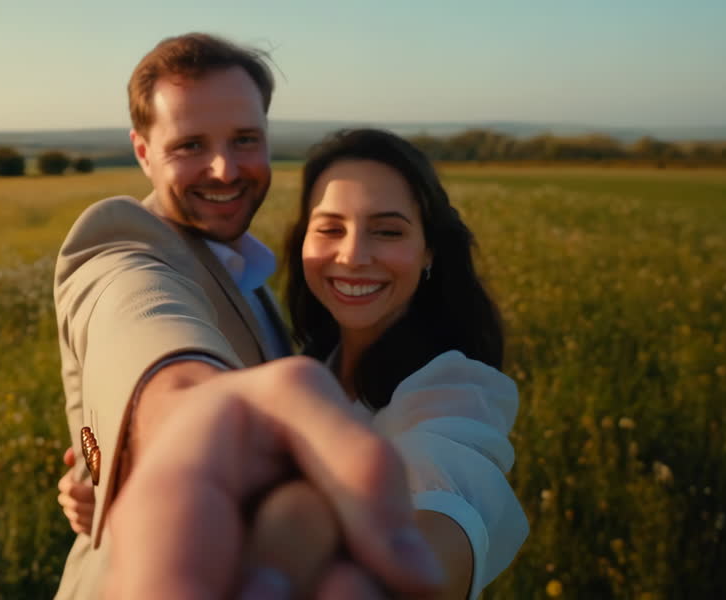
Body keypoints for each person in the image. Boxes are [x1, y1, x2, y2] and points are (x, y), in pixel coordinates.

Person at [61, 126, 529, 597]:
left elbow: (454, 501)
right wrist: (112, 487)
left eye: (387, 231)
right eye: (329, 229)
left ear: (429, 250)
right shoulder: (312, 359)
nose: (352, 256)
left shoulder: (452, 387)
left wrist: (373, 568)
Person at [55, 33, 436, 598]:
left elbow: (87, 423)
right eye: (189, 146)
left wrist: (98, 469)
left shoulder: (247, 271)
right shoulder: (123, 246)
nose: (224, 169)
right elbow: (139, 319)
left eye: (244, 139)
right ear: (142, 151)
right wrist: (182, 414)